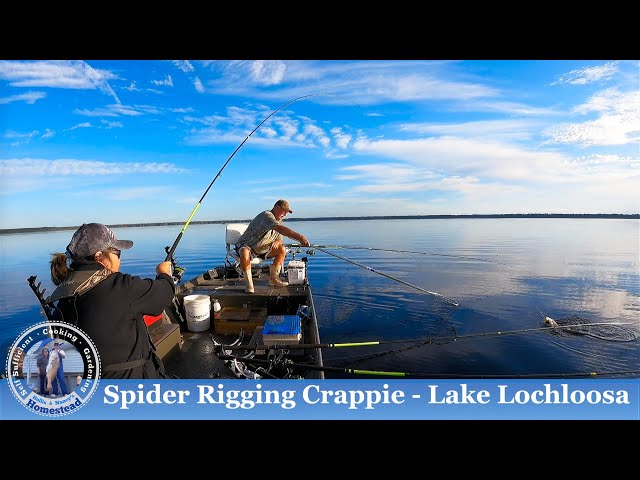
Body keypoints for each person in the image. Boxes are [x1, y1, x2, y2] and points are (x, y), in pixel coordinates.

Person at [46, 223, 175, 379]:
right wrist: (164, 274)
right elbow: (165, 294)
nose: (119, 259)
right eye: (117, 252)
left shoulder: (63, 297)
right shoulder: (121, 287)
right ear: (99, 255)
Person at [235, 199, 310, 293]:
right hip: (248, 245)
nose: (285, 214)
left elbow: (279, 236)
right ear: (276, 207)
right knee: (244, 251)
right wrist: (300, 237)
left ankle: (273, 279)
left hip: (263, 249)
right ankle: (249, 285)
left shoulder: (279, 220)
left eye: (287, 212)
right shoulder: (266, 215)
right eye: (284, 211)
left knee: (282, 249)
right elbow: (280, 229)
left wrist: (278, 241)